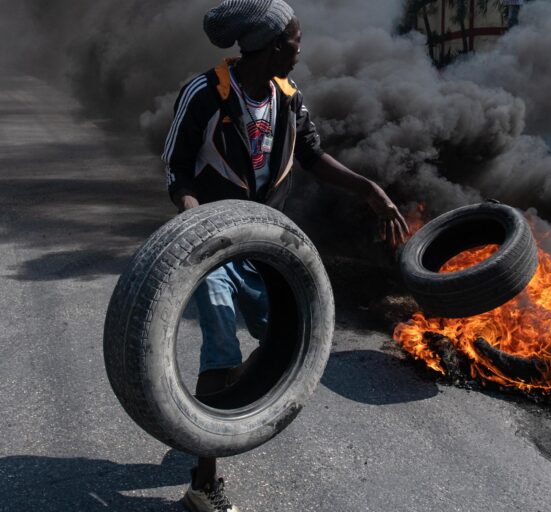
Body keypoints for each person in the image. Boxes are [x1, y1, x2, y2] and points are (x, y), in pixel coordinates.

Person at [162, 1, 409, 510]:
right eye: (295, 40)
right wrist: (194, 222)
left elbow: (313, 156)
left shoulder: (289, 99)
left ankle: (216, 406)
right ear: (271, 45)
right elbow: (176, 169)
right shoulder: (205, 94)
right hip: (215, 247)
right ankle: (203, 485)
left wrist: (371, 190)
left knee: (283, 341)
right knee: (221, 344)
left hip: (270, 244)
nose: (300, 48)